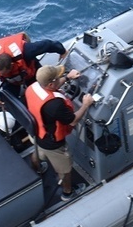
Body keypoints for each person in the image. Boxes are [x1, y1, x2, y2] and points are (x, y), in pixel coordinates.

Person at [25, 64, 95, 200]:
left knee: (38, 153)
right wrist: (86, 104)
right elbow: (73, 120)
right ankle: (67, 193)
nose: (60, 78)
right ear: (51, 83)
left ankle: (37, 168)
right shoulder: (55, 105)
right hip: (52, 143)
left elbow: (51, 86)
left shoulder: (33, 87)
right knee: (65, 169)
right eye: (58, 77)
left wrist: (67, 78)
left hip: (37, 133)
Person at [0, 32, 67, 104]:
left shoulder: (27, 51)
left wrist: (62, 51)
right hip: (11, 81)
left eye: (3, 73)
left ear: (11, 65)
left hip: (31, 73)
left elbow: (48, 44)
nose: (0, 75)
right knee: (9, 102)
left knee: (43, 92)